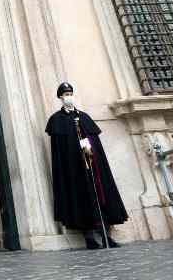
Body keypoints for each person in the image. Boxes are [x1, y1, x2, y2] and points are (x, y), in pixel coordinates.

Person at [45, 82, 128, 249]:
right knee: (81, 198)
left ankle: (106, 236)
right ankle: (89, 237)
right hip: (74, 168)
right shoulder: (57, 120)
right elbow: (59, 151)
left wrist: (90, 156)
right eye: (65, 94)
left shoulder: (83, 117)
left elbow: (94, 142)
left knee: (101, 196)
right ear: (60, 97)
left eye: (70, 93)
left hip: (91, 164)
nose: (68, 96)